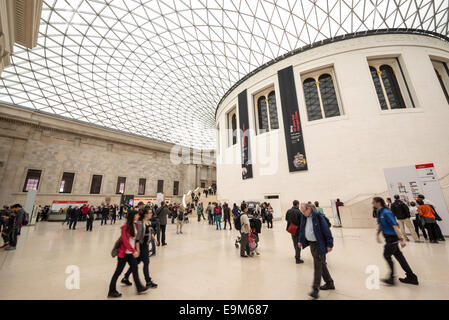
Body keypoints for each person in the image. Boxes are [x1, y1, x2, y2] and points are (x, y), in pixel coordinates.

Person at [373, 197, 419, 285]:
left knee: (387, 255)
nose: (372, 204)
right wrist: (377, 235)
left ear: (378, 202)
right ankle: (411, 276)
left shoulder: (387, 212)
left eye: (373, 202)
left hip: (392, 238)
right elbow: (380, 224)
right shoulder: (379, 212)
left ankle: (391, 278)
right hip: (388, 238)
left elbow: (395, 227)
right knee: (400, 258)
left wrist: (401, 239)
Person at [108, 210, 149, 298]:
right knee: (118, 272)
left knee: (135, 269)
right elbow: (125, 241)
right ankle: (111, 291)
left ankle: (139, 287)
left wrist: (136, 250)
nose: (138, 215)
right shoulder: (125, 227)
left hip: (130, 253)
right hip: (124, 253)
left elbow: (134, 240)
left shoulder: (135, 225)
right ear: (133, 216)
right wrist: (134, 251)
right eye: (137, 214)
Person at [298, 202, 334, 299]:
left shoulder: (318, 217)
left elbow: (326, 230)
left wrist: (330, 244)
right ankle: (329, 282)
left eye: (303, 211)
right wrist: (301, 240)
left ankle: (315, 289)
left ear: (309, 209)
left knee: (317, 265)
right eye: (301, 211)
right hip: (312, 244)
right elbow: (302, 229)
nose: (302, 213)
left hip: (319, 244)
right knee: (321, 263)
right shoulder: (304, 217)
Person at [121, 208, 158, 289]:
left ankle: (126, 277)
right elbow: (137, 237)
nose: (151, 214)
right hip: (142, 246)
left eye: (151, 213)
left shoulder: (149, 222)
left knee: (136, 263)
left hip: (146, 245)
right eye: (150, 213)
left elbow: (150, 232)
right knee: (146, 263)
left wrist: (154, 239)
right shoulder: (140, 223)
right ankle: (148, 281)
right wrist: (138, 249)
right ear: (145, 214)